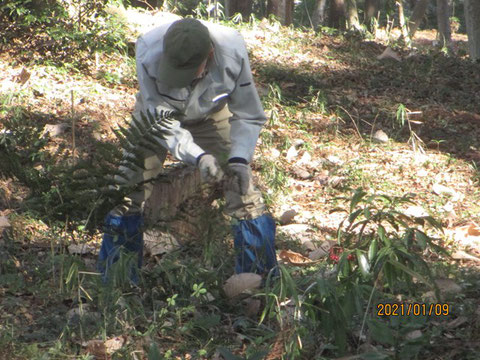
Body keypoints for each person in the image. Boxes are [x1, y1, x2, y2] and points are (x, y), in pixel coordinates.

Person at [97, 17, 278, 283]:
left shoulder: (232, 50)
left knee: (243, 193)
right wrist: (199, 155)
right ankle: (118, 282)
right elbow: (159, 115)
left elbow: (248, 113)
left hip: (212, 115)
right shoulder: (148, 49)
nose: (182, 79)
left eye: (190, 70)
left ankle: (258, 283)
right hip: (157, 116)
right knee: (127, 189)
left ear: (210, 55)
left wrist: (238, 159)